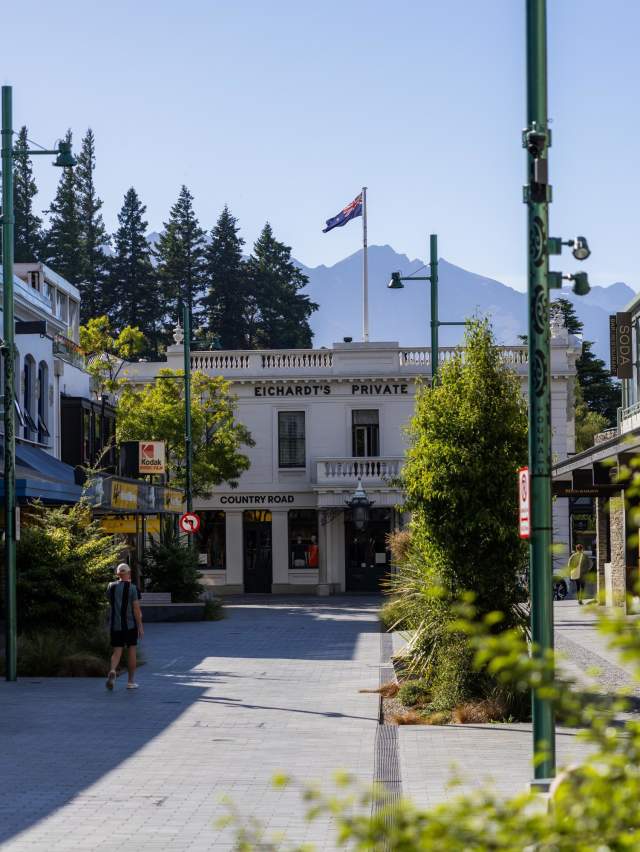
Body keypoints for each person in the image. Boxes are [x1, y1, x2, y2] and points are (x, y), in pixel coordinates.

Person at [106, 563, 144, 691]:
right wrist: (140, 626)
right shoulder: (133, 588)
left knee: (117, 651)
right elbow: (136, 609)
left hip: (115, 625)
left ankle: (112, 670)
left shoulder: (111, 586)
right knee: (131, 651)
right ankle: (130, 682)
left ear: (117, 574)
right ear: (128, 573)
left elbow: (111, 602)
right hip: (130, 625)